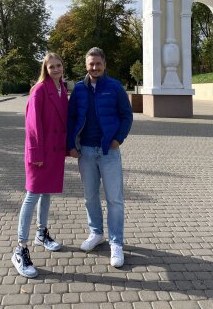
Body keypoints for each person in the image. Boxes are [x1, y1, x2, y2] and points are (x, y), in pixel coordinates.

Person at [68, 47, 133, 267]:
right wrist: (71, 146)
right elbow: (71, 118)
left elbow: (126, 116)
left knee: (115, 199)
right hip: (85, 151)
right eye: (91, 64)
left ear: (104, 64)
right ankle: (96, 233)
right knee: (90, 197)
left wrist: (118, 139)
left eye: (98, 63)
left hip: (109, 152)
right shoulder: (78, 89)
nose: (94, 67)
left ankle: (116, 242)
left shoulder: (115, 87)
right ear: (86, 66)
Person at [11, 53, 69, 278]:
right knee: (32, 195)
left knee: (47, 194)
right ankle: (20, 248)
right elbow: (33, 125)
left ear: (63, 67)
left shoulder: (62, 89)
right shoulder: (39, 90)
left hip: (54, 152)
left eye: (59, 65)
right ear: (45, 68)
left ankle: (42, 233)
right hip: (40, 153)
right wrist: (36, 152)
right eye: (51, 66)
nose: (56, 69)